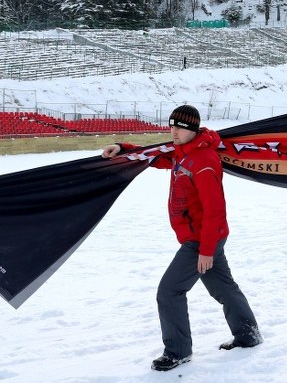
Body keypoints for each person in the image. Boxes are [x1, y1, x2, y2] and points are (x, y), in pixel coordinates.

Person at [101, 105, 262, 371]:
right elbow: (154, 156)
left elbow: (215, 210)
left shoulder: (204, 161)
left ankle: (177, 351)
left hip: (201, 239)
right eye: (171, 126)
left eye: (179, 127)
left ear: (193, 129)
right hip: (204, 238)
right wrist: (123, 147)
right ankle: (248, 335)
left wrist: (206, 250)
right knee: (223, 287)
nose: (172, 131)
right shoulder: (182, 153)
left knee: (170, 291)